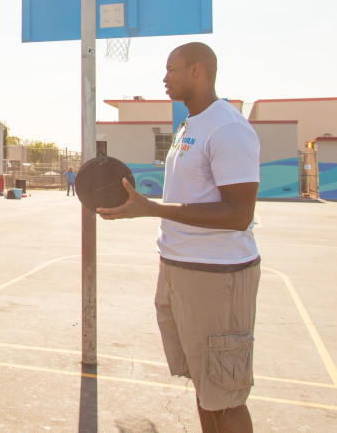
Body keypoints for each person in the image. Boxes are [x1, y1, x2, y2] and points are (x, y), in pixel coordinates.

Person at [95, 43, 261, 433]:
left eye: (172, 69)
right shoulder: (190, 125)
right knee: (206, 388)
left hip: (216, 275)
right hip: (180, 268)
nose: (164, 77)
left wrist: (152, 209)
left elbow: (239, 214)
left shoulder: (228, 128)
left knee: (226, 393)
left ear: (198, 71)